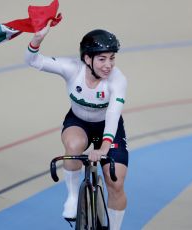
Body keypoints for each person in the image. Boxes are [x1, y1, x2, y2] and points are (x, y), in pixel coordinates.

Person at [25, 24, 128, 230]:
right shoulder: (72, 68)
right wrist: (37, 39)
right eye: (102, 59)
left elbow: (112, 114)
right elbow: (32, 60)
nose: (108, 65)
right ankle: (72, 198)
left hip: (107, 129)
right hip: (79, 123)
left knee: (115, 183)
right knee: (73, 146)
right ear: (87, 59)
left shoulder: (118, 79)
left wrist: (103, 148)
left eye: (112, 58)